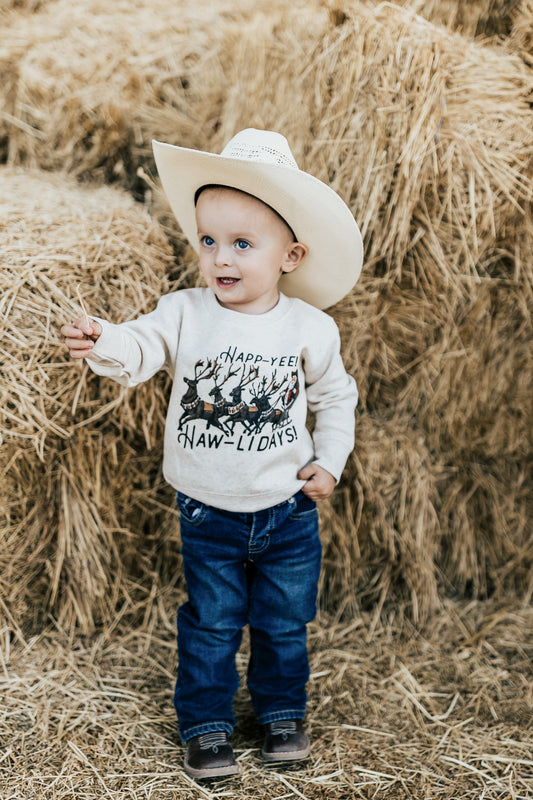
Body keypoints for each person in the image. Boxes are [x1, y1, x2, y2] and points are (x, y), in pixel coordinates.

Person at [61, 128, 363, 780]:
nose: (220, 259)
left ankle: (282, 715)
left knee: (283, 626)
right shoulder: (185, 312)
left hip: (286, 512)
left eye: (242, 245)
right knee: (212, 625)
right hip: (208, 514)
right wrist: (104, 338)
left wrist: (329, 461)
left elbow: (336, 399)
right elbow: (139, 348)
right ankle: (206, 728)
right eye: (208, 241)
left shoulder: (310, 328)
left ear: (291, 255)